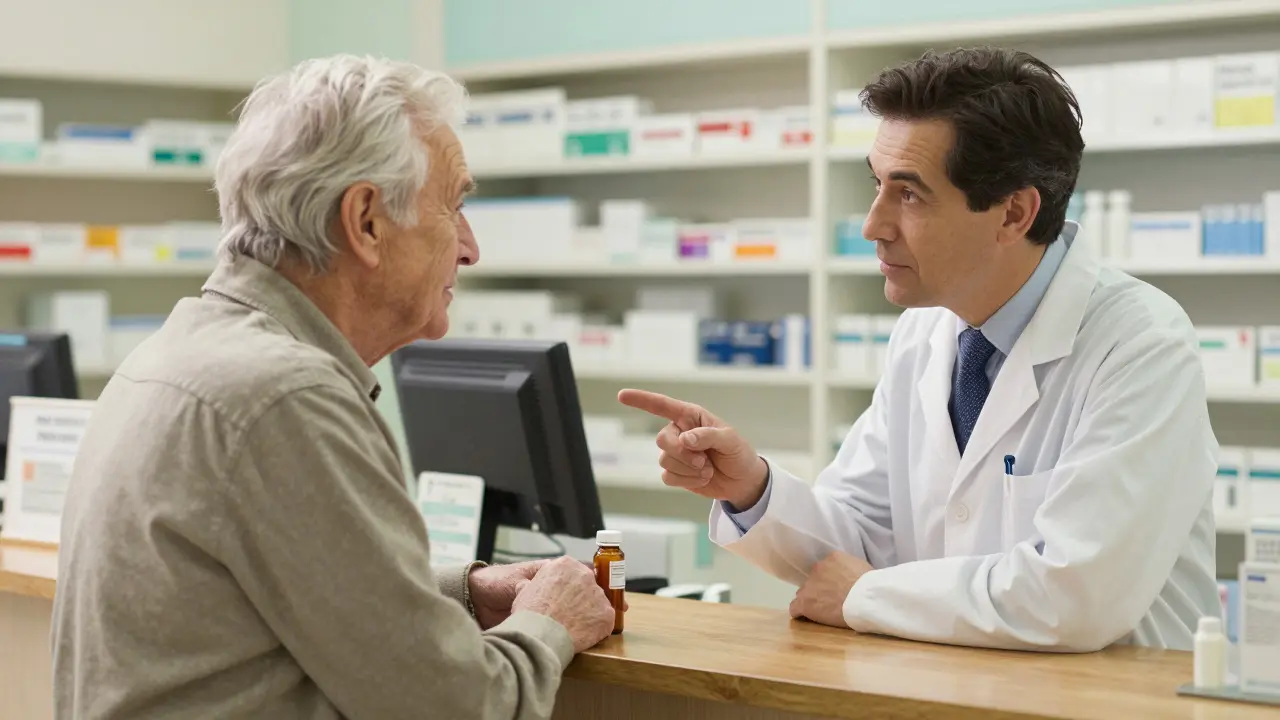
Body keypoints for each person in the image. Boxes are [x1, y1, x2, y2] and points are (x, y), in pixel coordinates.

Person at [51, 55, 617, 719]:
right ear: (367, 221)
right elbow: (459, 709)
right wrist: (548, 623)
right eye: (455, 205)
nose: (470, 247)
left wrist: (460, 591)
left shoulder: (181, 352)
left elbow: (244, 590)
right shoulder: (285, 398)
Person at [619, 46, 1218, 653]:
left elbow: (1073, 598)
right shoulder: (927, 331)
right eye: (877, 185)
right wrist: (750, 486)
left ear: (1013, 212)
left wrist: (865, 596)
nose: (873, 225)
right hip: (946, 687)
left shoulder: (1139, 345)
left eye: (908, 195)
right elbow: (855, 537)